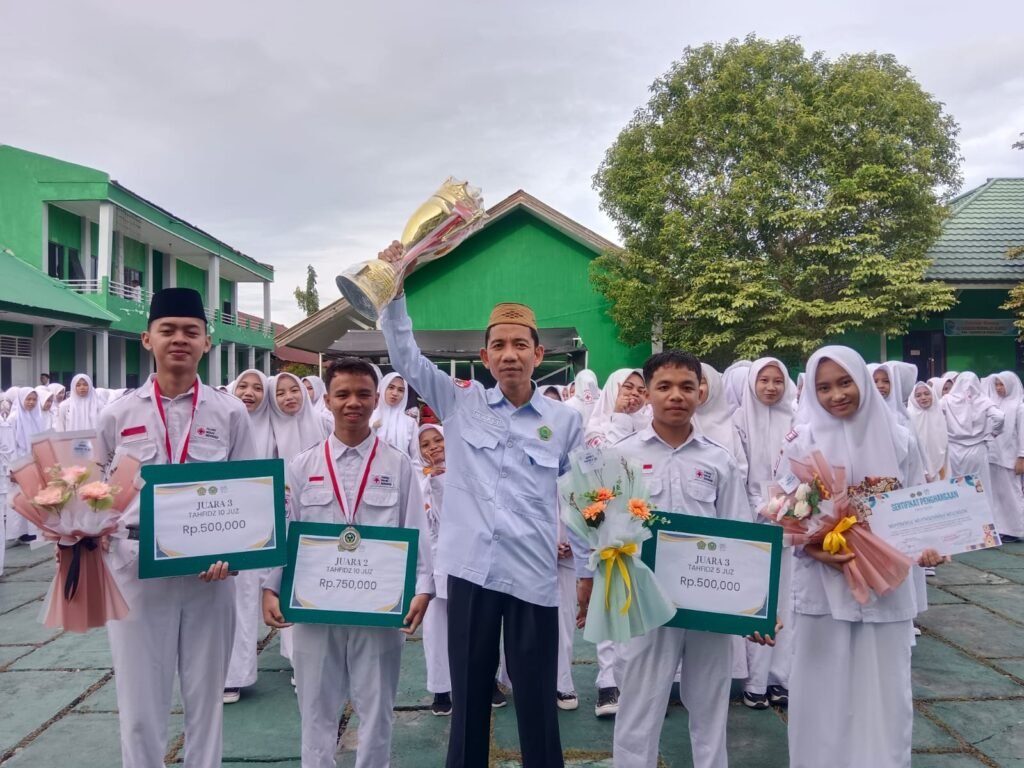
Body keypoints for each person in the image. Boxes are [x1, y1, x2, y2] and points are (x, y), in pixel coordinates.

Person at [377, 241, 584, 768]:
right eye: (499, 345)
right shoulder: (459, 401)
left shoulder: (565, 422)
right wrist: (395, 290)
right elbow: (405, 358)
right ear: (485, 355)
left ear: (539, 354)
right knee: (469, 696)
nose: (509, 354)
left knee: (536, 698)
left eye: (520, 344)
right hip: (471, 571)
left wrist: (586, 571)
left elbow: (584, 498)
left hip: (533, 573)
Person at [94, 287, 254, 768]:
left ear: (208, 341)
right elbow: (92, 492)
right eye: (168, 330)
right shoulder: (117, 414)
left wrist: (235, 555)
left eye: (191, 331)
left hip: (210, 576)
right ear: (147, 339)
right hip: (135, 570)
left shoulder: (230, 412)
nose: (179, 339)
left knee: (207, 702)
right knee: (140, 704)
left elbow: (248, 492)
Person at [262, 357, 434, 768]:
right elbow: (286, 529)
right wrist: (270, 586)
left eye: (362, 394)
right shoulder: (303, 465)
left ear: (376, 399)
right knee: (315, 708)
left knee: (377, 707)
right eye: (342, 394)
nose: (352, 402)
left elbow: (416, 527)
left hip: (379, 606)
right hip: (314, 605)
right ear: (327, 400)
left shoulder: (398, 465)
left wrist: (423, 588)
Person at [782, 346, 941, 768]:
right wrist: (812, 545)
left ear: (864, 383)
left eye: (845, 382)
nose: (836, 395)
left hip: (885, 584)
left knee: (883, 688)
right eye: (824, 388)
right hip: (823, 584)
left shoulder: (900, 438)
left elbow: (919, 502)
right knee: (821, 686)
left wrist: (929, 544)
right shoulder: (802, 439)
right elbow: (783, 510)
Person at [610, 351, 756, 768]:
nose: (676, 395)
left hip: (709, 604)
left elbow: (741, 533)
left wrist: (753, 607)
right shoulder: (621, 457)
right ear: (648, 393)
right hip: (645, 601)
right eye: (665, 386)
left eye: (687, 387)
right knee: (639, 706)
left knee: (710, 705)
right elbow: (605, 532)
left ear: (700, 392)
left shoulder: (719, 459)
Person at [582, 367, 651, 717]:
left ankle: (639, 684)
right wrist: (620, 421)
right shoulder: (596, 431)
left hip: (645, 530)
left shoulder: (652, 430)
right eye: (628, 388)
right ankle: (608, 682)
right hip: (610, 531)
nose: (634, 395)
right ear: (612, 390)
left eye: (641, 390)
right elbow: (599, 474)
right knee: (611, 604)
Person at [732, 357, 797, 710]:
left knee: (786, 599)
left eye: (777, 380)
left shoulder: (796, 420)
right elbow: (737, 473)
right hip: (752, 521)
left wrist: (795, 505)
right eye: (764, 380)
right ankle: (754, 682)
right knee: (755, 599)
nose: (771, 387)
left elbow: (806, 467)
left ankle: (779, 679)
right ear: (752, 384)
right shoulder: (739, 420)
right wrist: (759, 506)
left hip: (791, 522)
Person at [223, 368, 275, 704]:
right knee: (225, 597)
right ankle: (227, 675)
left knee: (247, 596)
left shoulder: (275, 428)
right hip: (221, 518)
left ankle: (239, 672)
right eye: (243, 385)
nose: (250, 392)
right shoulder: (220, 422)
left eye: (258, 388)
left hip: (260, 522)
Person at [268, 371, 326, 668]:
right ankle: (296, 659)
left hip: (320, 511)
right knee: (288, 581)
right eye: (280, 393)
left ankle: (317, 653)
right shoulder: (267, 430)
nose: (289, 397)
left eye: (294, 390)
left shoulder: (322, 423)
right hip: (281, 515)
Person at [415, 423, 453, 715]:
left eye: (438, 440)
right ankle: (441, 688)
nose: (433, 448)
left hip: (463, 558)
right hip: (431, 561)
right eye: (425, 444)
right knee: (435, 627)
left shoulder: (465, 470)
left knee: (475, 624)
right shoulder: (417, 478)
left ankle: (486, 680)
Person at [943, 372, 1003, 498]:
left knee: (956, 487)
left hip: (953, 449)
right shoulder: (983, 400)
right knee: (981, 487)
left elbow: (934, 413)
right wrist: (994, 432)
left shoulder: (947, 400)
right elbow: (999, 417)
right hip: (977, 449)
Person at [983, 372, 1024, 542]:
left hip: (1010, 458)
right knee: (996, 495)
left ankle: (1016, 530)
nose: (999, 388)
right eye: (997, 384)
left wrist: (1022, 457)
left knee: (1012, 495)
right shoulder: (994, 404)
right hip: (994, 456)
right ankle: (1000, 528)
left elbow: (1022, 433)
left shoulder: (1019, 406)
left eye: (1002, 384)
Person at [907, 382, 950, 483]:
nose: (923, 398)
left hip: (942, 464)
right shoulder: (909, 415)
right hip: (918, 468)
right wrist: (924, 471)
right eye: (918, 395)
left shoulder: (939, 413)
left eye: (927, 394)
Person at [371, 372, 418, 457]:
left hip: (402, 465)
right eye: (391, 387)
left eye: (400, 390)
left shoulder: (410, 423)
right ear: (383, 388)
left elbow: (416, 456)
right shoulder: (368, 417)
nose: (395, 393)